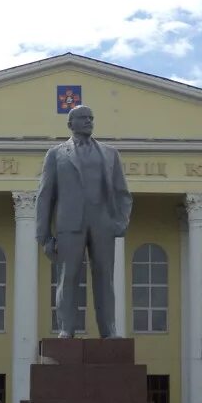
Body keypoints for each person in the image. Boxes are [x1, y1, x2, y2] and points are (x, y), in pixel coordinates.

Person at [35, 105, 133, 338]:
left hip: (103, 224)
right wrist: (44, 236)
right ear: (70, 125)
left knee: (104, 278)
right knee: (67, 277)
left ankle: (108, 330)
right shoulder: (56, 154)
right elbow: (45, 195)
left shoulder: (110, 154)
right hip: (70, 225)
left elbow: (122, 193)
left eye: (91, 118)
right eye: (83, 118)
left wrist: (120, 222)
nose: (89, 121)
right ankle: (66, 329)